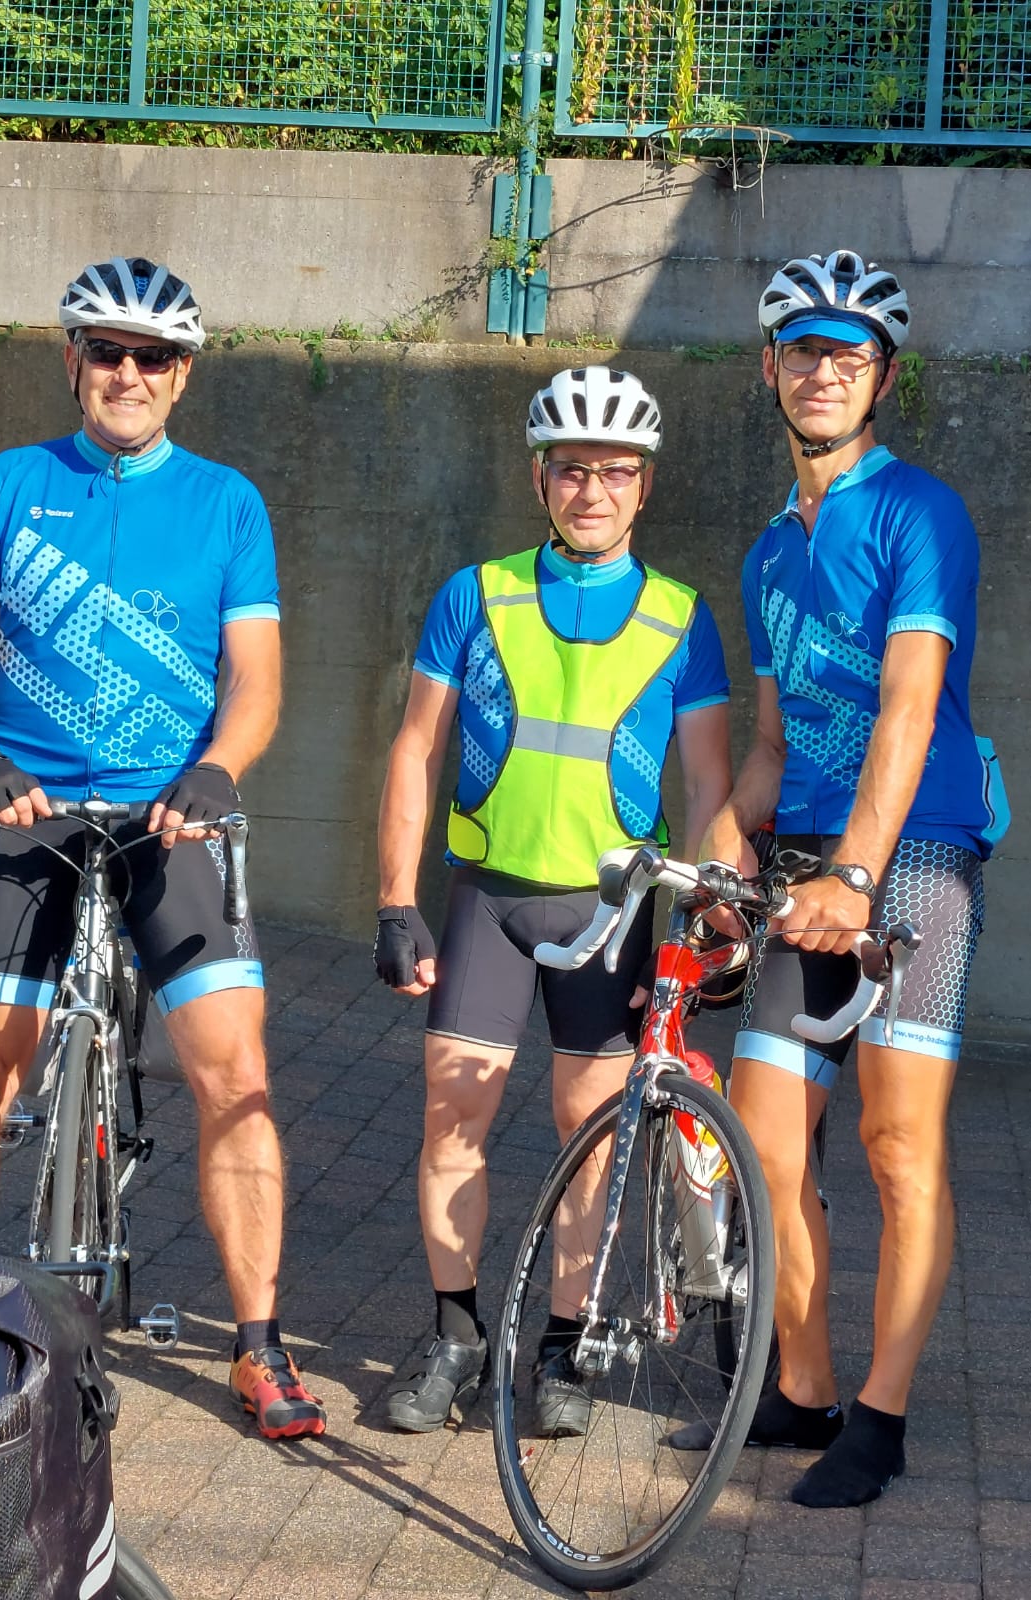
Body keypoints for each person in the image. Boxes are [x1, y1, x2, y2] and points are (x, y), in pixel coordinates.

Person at [0, 255, 327, 1441]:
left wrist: (220, 769)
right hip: (29, 815)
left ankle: (258, 1345)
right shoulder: (8, 485)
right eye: (108, 350)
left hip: (173, 820)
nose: (129, 373)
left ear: (184, 373)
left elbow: (255, 679)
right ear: (73, 361)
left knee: (234, 1075)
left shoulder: (226, 503)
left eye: (154, 356)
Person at [701, 249, 1007, 1505]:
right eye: (802, 351)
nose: (823, 371)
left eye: (849, 354)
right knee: (765, 1140)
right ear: (770, 369)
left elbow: (909, 705)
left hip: (915, 853)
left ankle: (878, 1419)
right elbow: (773, 744)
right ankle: (804, 1389)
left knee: (894, 1145)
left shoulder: (918, 512)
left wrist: (860, 873)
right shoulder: (772, 549)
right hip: (804, 864)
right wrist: (722, 857)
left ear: (881, 376)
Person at [374, 366, 733, 1434]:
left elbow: (710, 782)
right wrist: (397, 900)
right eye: (572, 470)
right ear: (542, 477)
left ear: (644, 487)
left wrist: (717, 902)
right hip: (487, 897)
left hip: (612, 913)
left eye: (615, 472)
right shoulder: (474, 593)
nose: (592, 490)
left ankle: (565, 1350)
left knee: (592, 1131)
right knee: (457, 1115)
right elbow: (415, 746)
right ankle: (455, 1334)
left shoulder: (681, 616)